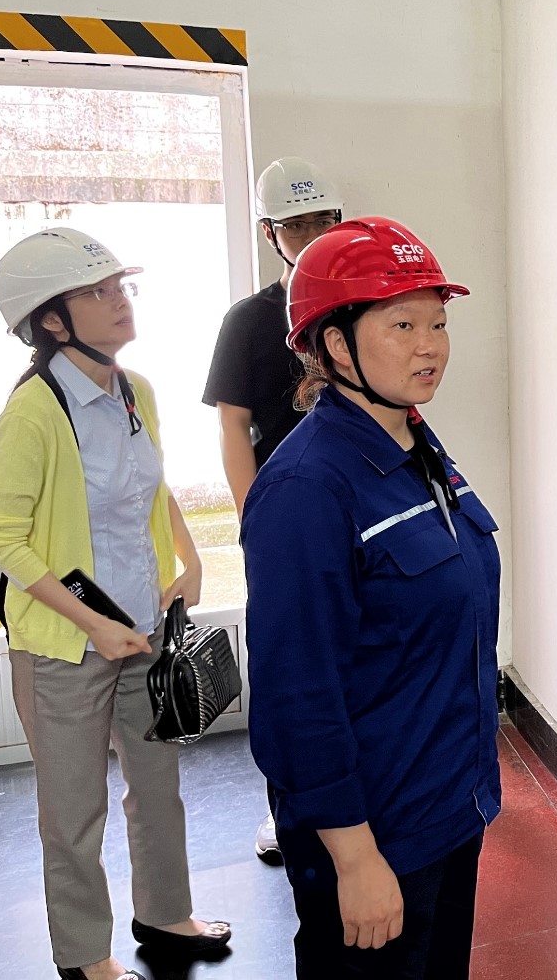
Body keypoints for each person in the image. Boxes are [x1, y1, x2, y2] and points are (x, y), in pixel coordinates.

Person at [241, 217, 500, 979]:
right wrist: (353, 858)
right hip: (374, 834)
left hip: (448, 808)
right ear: (334, 344)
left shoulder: (415, 445)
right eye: (403, 324)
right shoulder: (307, 487)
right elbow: (295, 698)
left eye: (438, 323)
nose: (431, 346)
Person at [0, 228, 232, 980]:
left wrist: (188, 558)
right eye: (98, 291)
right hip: (63, 646)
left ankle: (165, 913)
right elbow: (1, 538)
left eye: (120, 286)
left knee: (157, 785)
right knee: (74, 810)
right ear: (52, 321)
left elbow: (151, 485)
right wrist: (94, 623)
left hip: (141, 629)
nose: (119, 300)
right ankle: (85, 954)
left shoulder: (135, 389)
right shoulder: (32, 413)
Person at [202, 155, 343, 864]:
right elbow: (233, 426)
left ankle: (365, 796)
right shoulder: (251, 321)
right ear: (269, 233)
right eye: (297, 225)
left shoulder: (354, 308)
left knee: (362, 651)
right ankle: (283, 806)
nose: (312, 236)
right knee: (289, 666)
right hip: (284, 520)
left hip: (355, 511)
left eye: (323, 220)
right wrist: (252, 517)